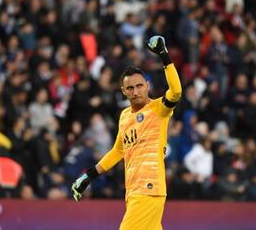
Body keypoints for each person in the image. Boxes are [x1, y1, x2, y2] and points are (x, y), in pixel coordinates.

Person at [71, 35, 182, 230]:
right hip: (133, 192)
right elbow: (117, 152)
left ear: (147, 86)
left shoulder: (159, 109)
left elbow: (176, 92)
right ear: (123, 91)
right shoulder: (124, 116)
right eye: (130, 88)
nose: (136, 91)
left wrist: (164, 56)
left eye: (139, 86)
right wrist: (88, 177)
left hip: (148, 188)